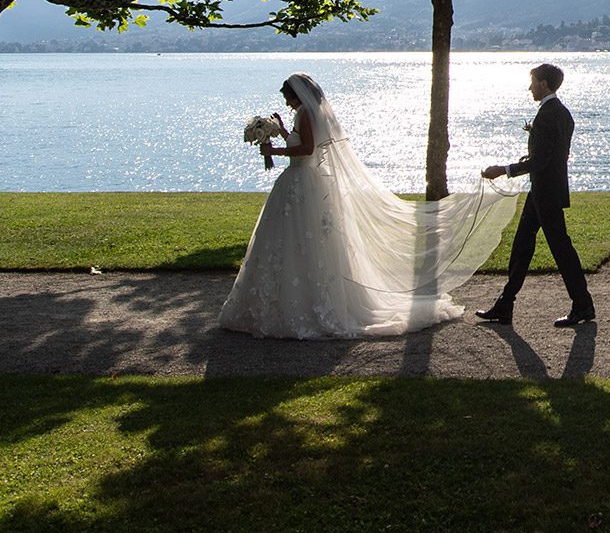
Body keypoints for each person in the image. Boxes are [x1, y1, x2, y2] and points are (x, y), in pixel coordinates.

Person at [217, 73, 521, 339]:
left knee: (301, 242)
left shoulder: (306, 115)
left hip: (301, 184)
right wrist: (282, 132)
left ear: (296, 95)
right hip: (300, 184)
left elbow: (307, 149)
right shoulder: (305, 115)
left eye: (287, 97)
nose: (286, 103)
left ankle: (299, 306)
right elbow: (303, 143)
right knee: (297, 243)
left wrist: (276, 148)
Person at [475, 63, 595, 328]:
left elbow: (542, 160)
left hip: (546, 193)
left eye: (532, 82)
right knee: (522, 246)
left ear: (543, 83)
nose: (529, 87)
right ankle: (505, 305)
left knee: (561, 249)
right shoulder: (563, 113)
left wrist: (504, 170)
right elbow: (554, 155)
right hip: (544, 190)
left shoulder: (547, 115)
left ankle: (583, 305)